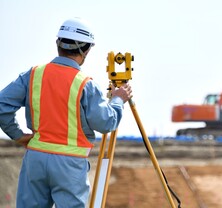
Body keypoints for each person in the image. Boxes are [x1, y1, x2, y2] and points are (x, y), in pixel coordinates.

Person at [0, 17, 132, 207]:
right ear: (85, 50)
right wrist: (118, 99)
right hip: (69, 164)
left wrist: (17, 135)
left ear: (58, 44)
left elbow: (2, 105)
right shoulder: (85, 84)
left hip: (35, 158)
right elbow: (105, 123)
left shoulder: (34, 74)